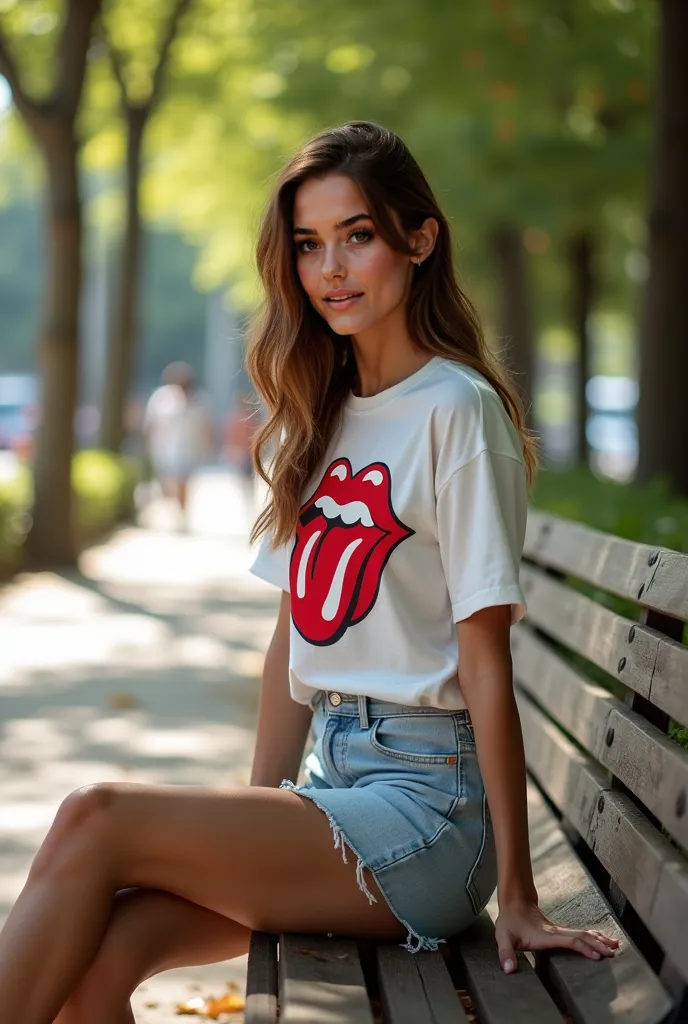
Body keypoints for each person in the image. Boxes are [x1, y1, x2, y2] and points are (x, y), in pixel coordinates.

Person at [0, 122, 618, 1024]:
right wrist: (253, 823)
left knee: (94, 818)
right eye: (308, 244)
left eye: (357, 235)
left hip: (432, 816)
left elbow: (485, 657)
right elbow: (295, 641)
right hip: (337, 787)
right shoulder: (312, 415)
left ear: (418, 238)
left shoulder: (456, 410)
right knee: (107, 947)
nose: (331, 267)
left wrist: (516, 893)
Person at [142, 362, 215, 527]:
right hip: (163, 451)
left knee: (183, 483)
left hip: (189, 451)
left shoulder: (200, 400)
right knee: (166, 486)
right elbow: (150, 424)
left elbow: (208, 426)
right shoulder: (161, 399)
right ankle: (171, 509)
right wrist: (148, 444)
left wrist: (208, 447)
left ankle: (181, 515)